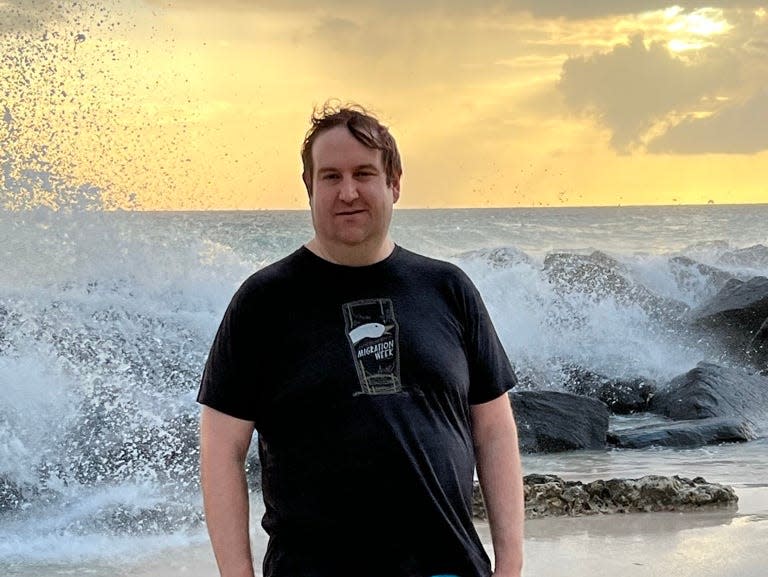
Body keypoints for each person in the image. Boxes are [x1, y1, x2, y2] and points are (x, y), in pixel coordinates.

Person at [198, 103, 524, 577]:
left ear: (394, 182)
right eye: (330, 176)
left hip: (447, 565)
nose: (347, 191)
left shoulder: (447, 289)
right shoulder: (263, 301)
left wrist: (510, 563)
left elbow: (494, 431)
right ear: (309, 187)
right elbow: (220, 449)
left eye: (363, 173)